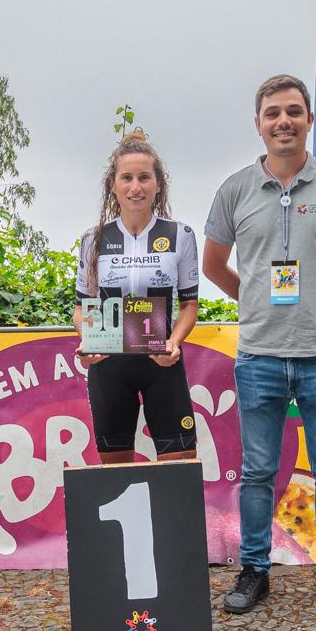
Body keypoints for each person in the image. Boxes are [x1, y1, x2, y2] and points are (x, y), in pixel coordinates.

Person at [202, 73, 316, 617]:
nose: (283, 122)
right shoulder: (235, 190)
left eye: (293, 112)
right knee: (259, 472)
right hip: (259, 356)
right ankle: (254, 570)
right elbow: (214, 264)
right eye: (272, 114)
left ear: (310, 119)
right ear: (258, 125)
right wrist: (253, 299)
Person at [73, 130, 201, 465]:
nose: (135, 187)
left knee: (180, 466)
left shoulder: (180, 235)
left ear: (158, 183)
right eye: (126, 178)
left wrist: (174, 342)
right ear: (112, 185)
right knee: (116, 472)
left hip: (163, 361)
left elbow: (189, 305)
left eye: (144, 177)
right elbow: (81, 307)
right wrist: (88, 338)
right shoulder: (93, 239)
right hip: (109, 364)